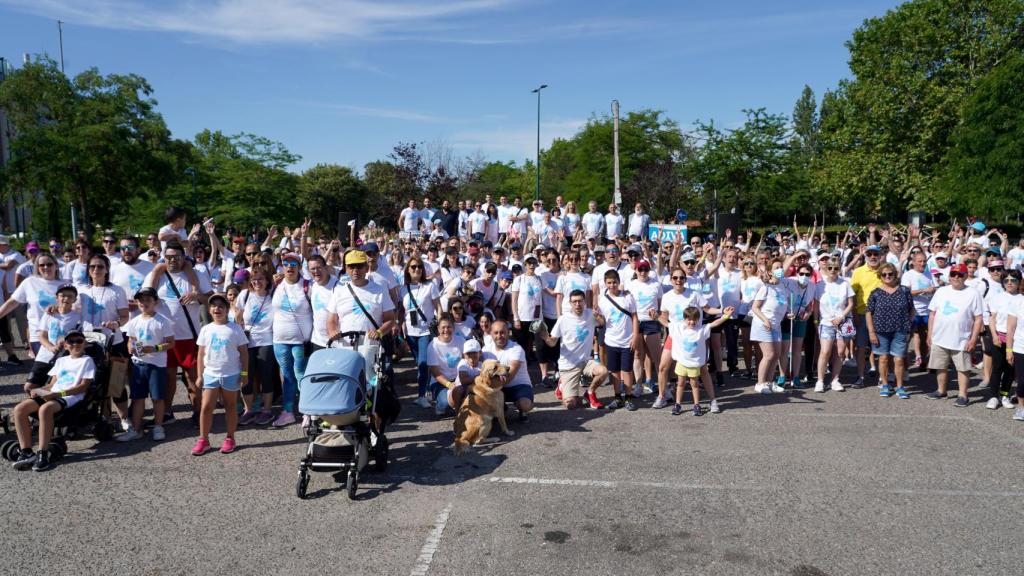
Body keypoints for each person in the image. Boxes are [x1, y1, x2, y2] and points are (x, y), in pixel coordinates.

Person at [145, 242, 212, 426]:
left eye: (176, 256)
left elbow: (212, 299)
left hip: (189, 336)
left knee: (193, 376)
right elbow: (144, 297)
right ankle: (167, 413)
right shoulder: (157, 275)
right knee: (168, 377)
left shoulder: (195, 275)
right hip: (165, 337)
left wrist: (197, 296)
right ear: (163, 258)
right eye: (169, 257)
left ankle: (199, 411)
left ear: (184, 257)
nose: (172, 260)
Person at [9, 329, 95, 471]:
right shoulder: (61, 360)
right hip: (55, 394)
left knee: (45, 409)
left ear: (84, 344)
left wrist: (57, 394)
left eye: (79, 341)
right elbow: (52, 384)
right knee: (20, 409)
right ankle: (26, 452)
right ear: (65, 345)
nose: (75, 344)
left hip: (71, 396)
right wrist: (40, 390)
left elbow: (83, 387)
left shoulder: (87, 360)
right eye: (71, 342)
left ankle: (42, 454)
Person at [192, 293, 249, 455]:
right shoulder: (206, 329)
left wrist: (244, 374)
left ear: (226, 310)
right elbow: (200, 354)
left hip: (231, 374)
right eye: (214, 306)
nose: (217, 309)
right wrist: (199, 375)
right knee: (206, 407)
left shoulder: (235, 329)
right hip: (210, 374)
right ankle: (203, 440)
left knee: (230, 406)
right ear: (209, 310)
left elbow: (244, 353)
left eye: (221, 306)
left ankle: (230, 438)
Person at [117, 288, 175, 442]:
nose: (144, 303)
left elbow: (170, 343)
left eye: (148, 300)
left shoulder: (163, 321)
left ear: (155, 302)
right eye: (141, 300)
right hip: (138, 364)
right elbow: (132, 339)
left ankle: (158, 426)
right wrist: (130, 346)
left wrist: (155, 348)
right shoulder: (134, 321)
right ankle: (136, 429)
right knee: (137, 398)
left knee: (157, 398)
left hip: (157, 365)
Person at [537, 289, 609, 409]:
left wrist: (599, 316)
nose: (577, 304)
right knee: (571, 405)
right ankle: (562, 385)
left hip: (586, 361)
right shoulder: (563, 319)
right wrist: (545, 337)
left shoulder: (590, 314)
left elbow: (602, 323)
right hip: (568, 365)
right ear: (569, 303)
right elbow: (552, 342)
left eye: (580, 301)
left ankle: (590, 392)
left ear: (584, 302)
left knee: (603, 372)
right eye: (574, 301)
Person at [925, 263, 983, 406]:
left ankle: (963, 395)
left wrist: (973, 338)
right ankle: (941, 391)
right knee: (940, 365)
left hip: (961, 339)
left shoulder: (973, 293)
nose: (956, 277)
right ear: (949, 276)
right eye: (953, 274)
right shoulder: (941, 291)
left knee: (963, 368)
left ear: (965, 276)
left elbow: (978, 318)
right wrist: (929, 334)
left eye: (960, 274)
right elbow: (932, 314)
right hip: (939, 337)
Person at [270, 252, 314, 427]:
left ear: (299, 267)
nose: (289, 266)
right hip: (279, 340)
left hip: (300, 341)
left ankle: (308, 411)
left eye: (294, 264)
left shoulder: (307, 286)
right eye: (286, 263)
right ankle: (288, 412)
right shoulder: (277, 284)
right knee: (287, 377)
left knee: (301, 375)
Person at [669, 306, 734, 415]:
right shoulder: (678, 329)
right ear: (684, 319)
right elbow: (666, 323)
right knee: (680, 384)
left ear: (698, 319)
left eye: (694, 319)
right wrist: (656, 317)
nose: (692, 322)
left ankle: (696, 405)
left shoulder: (701, 330)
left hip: (694, 364)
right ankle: (678, 404)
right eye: (689, 319)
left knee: (695, 385)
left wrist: (726, 316)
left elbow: (715, 323)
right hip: (681, 363)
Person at [0, 252, 64, 360]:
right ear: (37, 268)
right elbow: (12, 302)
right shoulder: (29, 282)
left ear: (56, 266)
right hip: (37, 336)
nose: (45, 267)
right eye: (41, 265)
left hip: (61, 335)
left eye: (49, 264)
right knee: (42, 370)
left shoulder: (65, 285)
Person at [865, 263, 914, 398]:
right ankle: (885, 384)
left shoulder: (904, 291)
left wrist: (908, 324)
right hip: (880, 331)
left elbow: (912, 310)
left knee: (898, 360)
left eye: (890, 274)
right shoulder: (875, 293)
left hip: (900, 330)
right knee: (883, 359)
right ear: (880, 276)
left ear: (895, 275)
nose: (887, 276)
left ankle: (900, 386)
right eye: (884, 274)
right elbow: (869, 312)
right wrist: (871, 332)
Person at [235, 267, 276, 426]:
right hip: (247, 341)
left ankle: (266, 410)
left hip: (266, 341)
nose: (257, 282)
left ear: (267, 281)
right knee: (246, 376)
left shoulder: (273, 296)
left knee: (266, 376)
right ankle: (248, 410)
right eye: (254, 279)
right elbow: (237, 317)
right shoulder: (244, 295)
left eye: (260, 279)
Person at [595, 270, 640, 411]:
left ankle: (628, 398)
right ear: (605, 283)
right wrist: (597, 317)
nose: (612, 285)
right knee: (614, 371)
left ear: (618, 282)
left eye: (614, 282)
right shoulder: (603, 299)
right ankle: (617, 397)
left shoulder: (627, 297)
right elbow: (602, 322)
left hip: (627, 340)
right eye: (609, 282)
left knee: (626, 370)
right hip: (611, 340)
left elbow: (634, 317)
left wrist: (635, 336)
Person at [402, 257, 441, 408]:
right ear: (408, 270)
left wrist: (439, 323)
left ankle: (421, 395)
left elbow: (438, 307)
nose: (416, 269)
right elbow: (401, 311)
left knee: (423, 363)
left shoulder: (429, 286)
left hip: (426, 330)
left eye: (419, 267)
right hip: (410, 332)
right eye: (413, 267)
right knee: (419, 364)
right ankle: (427, 390)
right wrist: (400, 328)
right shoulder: (402, 289)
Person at [750, 260, 793, 394]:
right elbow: (755, 307)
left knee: (777, 355)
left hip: (776, 325)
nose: (780, 269)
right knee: (769, 354)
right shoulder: (766, 287)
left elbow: (780, 306)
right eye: (776, 268)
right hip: (763, 324)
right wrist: (765, 320)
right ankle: (760, 383)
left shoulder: (783, 287)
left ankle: (769, 382)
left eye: (781, 267)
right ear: (770, 271)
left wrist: (787, 314)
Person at [814, 256, 854, 392]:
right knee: (825, 351)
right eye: (830, 267)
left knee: (840, 352)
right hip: (825, 322)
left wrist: (841, 316)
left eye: (836, 268)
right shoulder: (820, 285)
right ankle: (820, 380)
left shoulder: (845, 283)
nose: (832, 270)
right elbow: (816, 305)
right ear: (825, 268)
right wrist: (815, 321)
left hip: (842, 322)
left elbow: (850, 304)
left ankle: (835, 379)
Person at [482, 320, 534, 420]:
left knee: (525, 405)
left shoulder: (516, 349)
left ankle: (522, 410)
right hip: (498, 387)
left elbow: (509, 376)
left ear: (508, 333)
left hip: (518, 385)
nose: (499, 336)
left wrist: (488, 384)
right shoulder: (485, 350)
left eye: (502, 332)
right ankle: (501, 407)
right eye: (496, 333)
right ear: (491, 334)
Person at [850, 244, 884, 386]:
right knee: (861, 347)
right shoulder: (858, 271)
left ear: (880, 255)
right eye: (869, 254)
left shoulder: (885, 271)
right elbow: (852, 294)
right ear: (865, 255)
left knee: (882, 347)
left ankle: (883, 378)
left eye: (875, 254)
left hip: (882, 315)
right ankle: (860, 377)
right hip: (862, 314)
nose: (872, 257)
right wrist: (854, 313)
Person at [986, 269, 1020, 410]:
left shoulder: (1021, 298)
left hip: (1016, 339)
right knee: (997, 368)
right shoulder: (997, 297)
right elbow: (992, 318)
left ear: (1019, 282)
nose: (1010, 283)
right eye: (1006, 280)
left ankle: (1004, 395)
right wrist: (994, 335)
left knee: (1010, 369)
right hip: (999, 336)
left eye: (1013, 280)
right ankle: (993, 396)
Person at [426, 314, 465, 416]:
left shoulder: (460, 341)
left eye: (449, 327)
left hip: (458, 378)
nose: (446, 330)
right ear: (438, 329)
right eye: (443, 327)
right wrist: (449, 385)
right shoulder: (433, 345)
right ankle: (440, 406)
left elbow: (467, 360)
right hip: (440, 382)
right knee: (444, 403)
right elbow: (435, 372)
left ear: (453, 328)